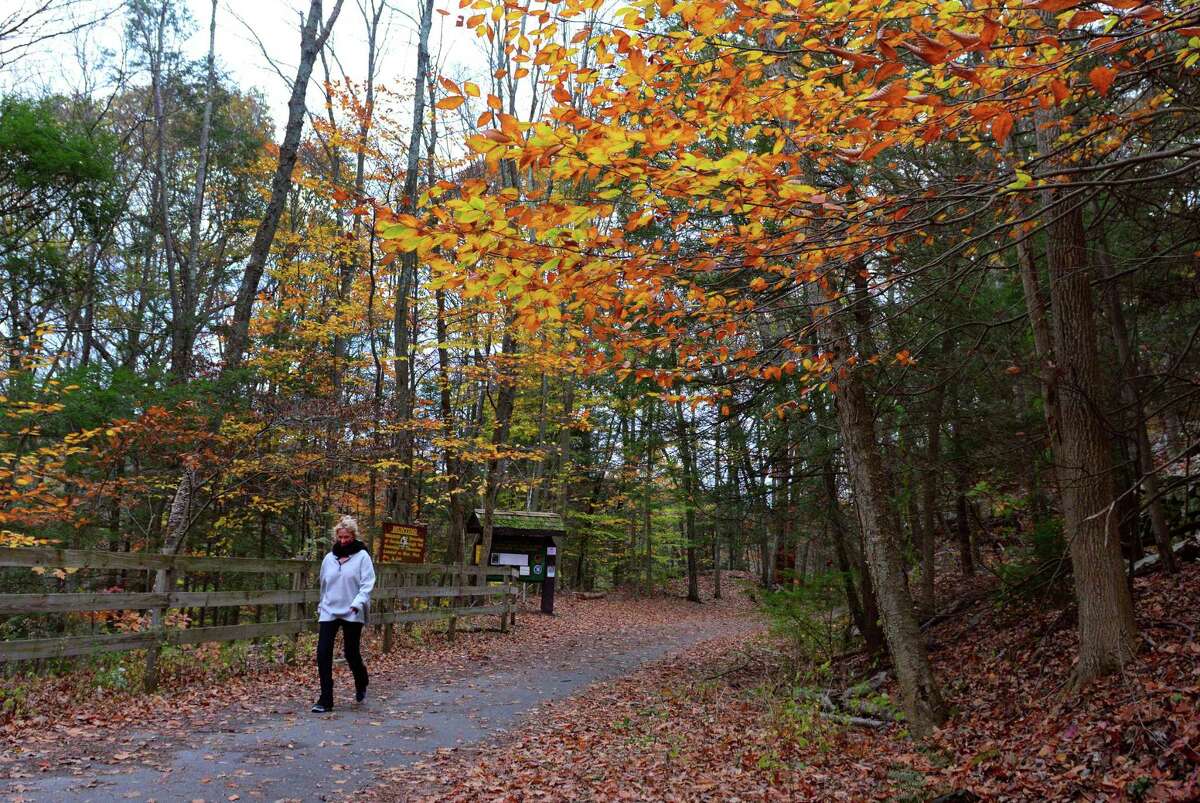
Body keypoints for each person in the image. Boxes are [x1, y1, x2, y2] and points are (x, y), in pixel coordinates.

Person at [312, 515, 375, 713]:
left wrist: (357, 604)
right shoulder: (329, 559)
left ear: (353, 536)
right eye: (340, 537)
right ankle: (326, 698)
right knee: (323, 653)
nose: (343, 541)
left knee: (351, 653)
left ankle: (361, 680)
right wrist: (322, 605)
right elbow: (324, 584)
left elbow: (367, 584)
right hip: (330, 610)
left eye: (347, 537)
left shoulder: (362, 557)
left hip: (352, 610)